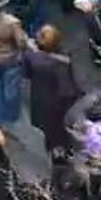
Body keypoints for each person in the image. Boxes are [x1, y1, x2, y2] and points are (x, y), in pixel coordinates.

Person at [24, 25, 82, 156]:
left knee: (49, 130)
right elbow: (67, 90)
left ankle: (52, 148)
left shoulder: (31, 57)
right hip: (58, 103)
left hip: (41, 98)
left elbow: (27, 74)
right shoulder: (63, 59)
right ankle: (65, 148)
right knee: (61, 128)